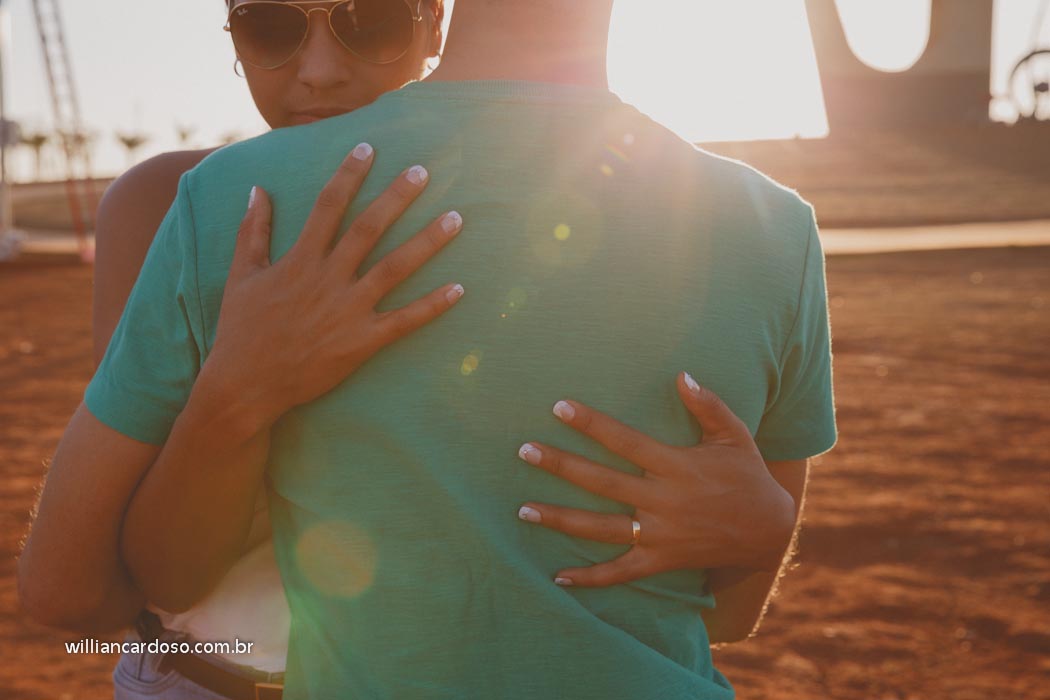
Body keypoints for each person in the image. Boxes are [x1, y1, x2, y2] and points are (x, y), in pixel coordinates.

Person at [18, 0, 834, 698]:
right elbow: (108, 582)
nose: (320, 71)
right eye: (269, 28)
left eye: (367, 22)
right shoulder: (184, 205)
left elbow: (720, 598)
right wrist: (238, 387)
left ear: (432, 20)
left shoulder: (515, 203)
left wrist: (767, 530)